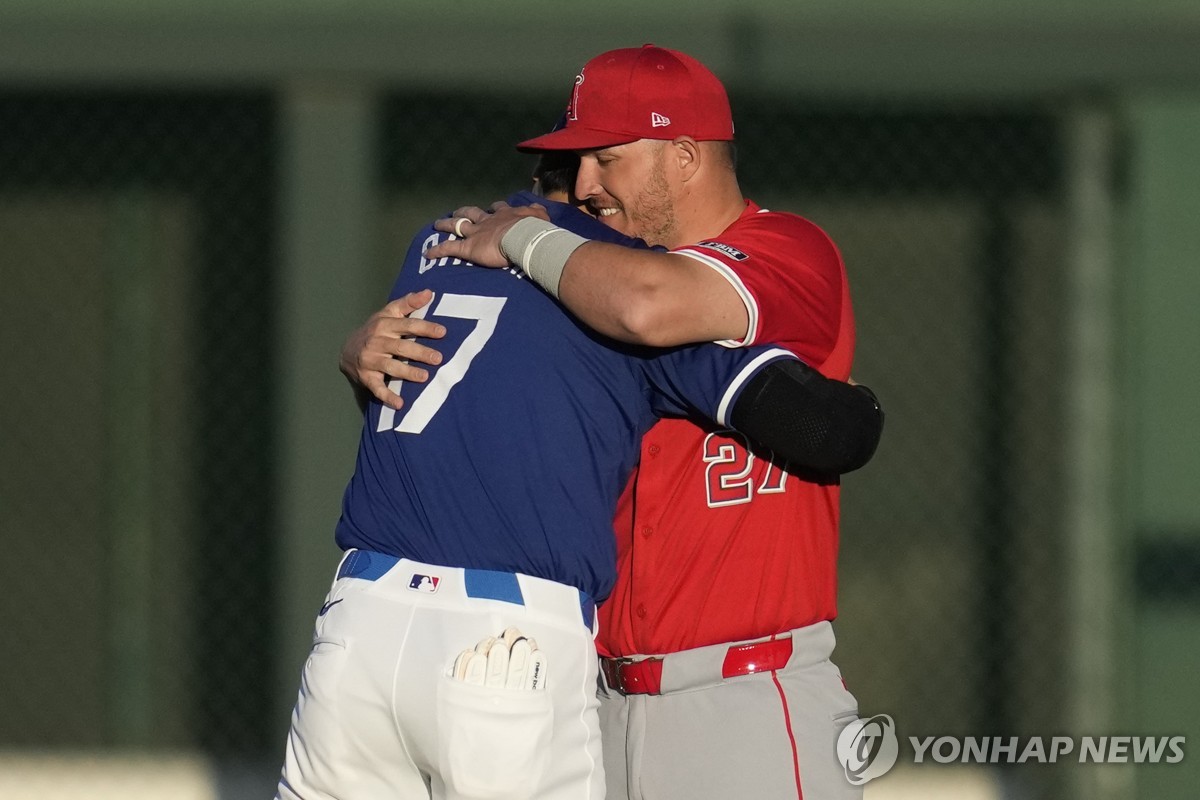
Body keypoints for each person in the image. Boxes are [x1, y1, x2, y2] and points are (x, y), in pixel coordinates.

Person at [278, 165, 883, 797]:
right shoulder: (610, 296)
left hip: (358, 625)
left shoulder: (435, 249)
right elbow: (827, 429)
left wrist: (354, 356)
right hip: (504, 640)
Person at [421, 44, 866, 800]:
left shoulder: (789, 250)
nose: (585, 185)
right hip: (589, 701)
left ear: (685, 156)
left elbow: (651, 303)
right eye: (577, 163)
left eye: (608, 158)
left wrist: (524, 239)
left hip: (747, 698)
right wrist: (367, 347)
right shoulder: (580, 275)